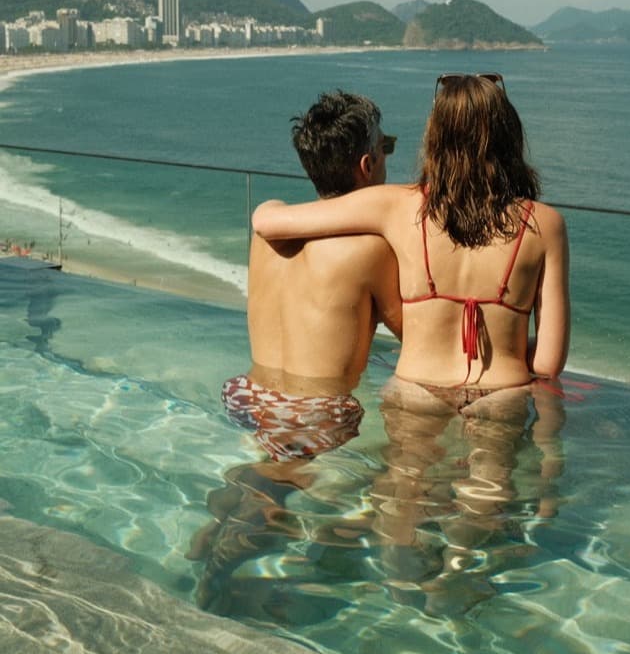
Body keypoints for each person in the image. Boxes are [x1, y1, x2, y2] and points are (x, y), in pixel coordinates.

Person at [251, 73, 570, 409]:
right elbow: (548, 364)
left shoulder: (396, 206)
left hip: (414, 392)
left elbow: (266, 222)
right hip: (503, 396)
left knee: (406, 463)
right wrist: (505, 351)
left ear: (435, 138)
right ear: (509, 136)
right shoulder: (546, 224)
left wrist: (268, 207)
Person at [221, 90, 403, 457]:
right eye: (387, 146)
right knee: (273, 498)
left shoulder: (268, 229)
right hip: (318, 411)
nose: (389, 156)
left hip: (248, 393)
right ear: (367, 165)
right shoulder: (370, 251)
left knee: (260, 482)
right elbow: (421, 338)